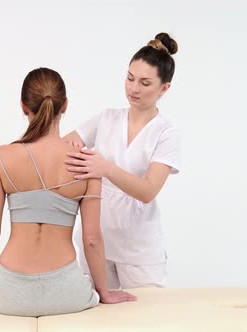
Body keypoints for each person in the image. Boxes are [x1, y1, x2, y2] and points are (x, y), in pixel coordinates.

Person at [0, 67, 136, 317]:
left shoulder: (0, 158)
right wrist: (103, 292)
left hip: (10, 293)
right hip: (67, 291)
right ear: (65, 106)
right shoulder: (86, 163)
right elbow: (92, 237)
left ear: (23, 106)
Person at [63, 33, 181, 289]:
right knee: (97, 322)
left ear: (164, 88)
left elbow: (148, 191)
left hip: (139, 250)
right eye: (130, 78)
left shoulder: (166, 133)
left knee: (143, 322)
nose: (133, 88)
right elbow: (64, 146)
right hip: (95, 242)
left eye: (145, 83)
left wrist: (105, 168)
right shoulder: (106, 118)